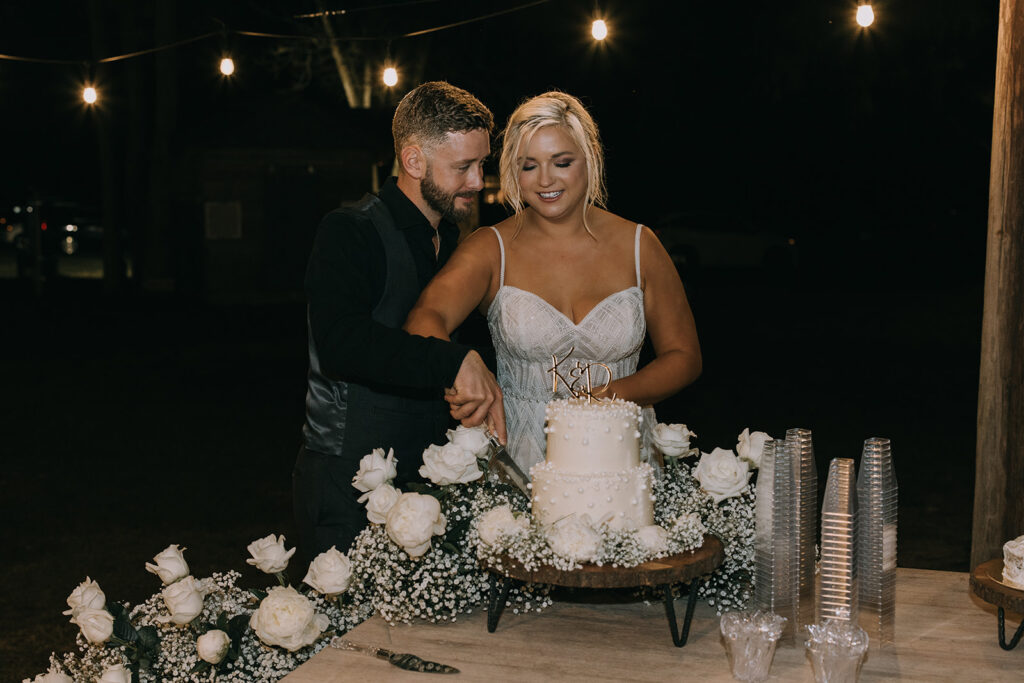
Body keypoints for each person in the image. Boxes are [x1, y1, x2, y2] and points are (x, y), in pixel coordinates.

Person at [404, 91, 701, 471]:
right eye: (529, 166)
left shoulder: (640, 245)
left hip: (623, 459)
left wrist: (610, 396)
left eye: (561, 162)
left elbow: (684, 357)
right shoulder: (491, 248)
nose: (545, 180)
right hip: (521, 463)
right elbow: (424, 318)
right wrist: (461, 363)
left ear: (589, 159)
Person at [293, 82, 506, 565]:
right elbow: (342, 343)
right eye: (463, 167)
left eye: (481, 164)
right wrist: (451, 362)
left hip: (431, 477)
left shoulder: (453, 241)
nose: (477, 181)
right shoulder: (350, 232)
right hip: (349, 480)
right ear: (413, 162)